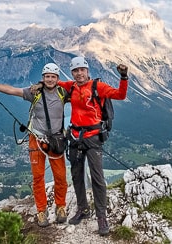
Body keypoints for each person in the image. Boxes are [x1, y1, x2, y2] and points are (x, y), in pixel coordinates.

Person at [0, 63, 69, 227]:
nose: (49, 79)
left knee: (61, 177)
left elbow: (81, 92)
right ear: (43, 78)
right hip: (37, 139)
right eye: (47, 76)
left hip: (56, 140)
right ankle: (41, 210)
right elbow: (12, 90)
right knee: (38, 177)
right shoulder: (34, 92)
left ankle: (60, 206)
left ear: (57, 79)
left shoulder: (63, 92)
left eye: (53, 77)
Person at [56, 56, 128, 236]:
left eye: (82, 70)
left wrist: (124, 77)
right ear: (72, 73)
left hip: (93, 138)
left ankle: (101, 216)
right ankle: (83, 208)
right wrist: (40, 85)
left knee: (97, 177)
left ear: (87, 71)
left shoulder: (98, 87)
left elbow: (120, 95)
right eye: (75, 70)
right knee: (76, 175)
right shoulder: (70, 86)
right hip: (75, 137)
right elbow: (53, 81)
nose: (79, 73)